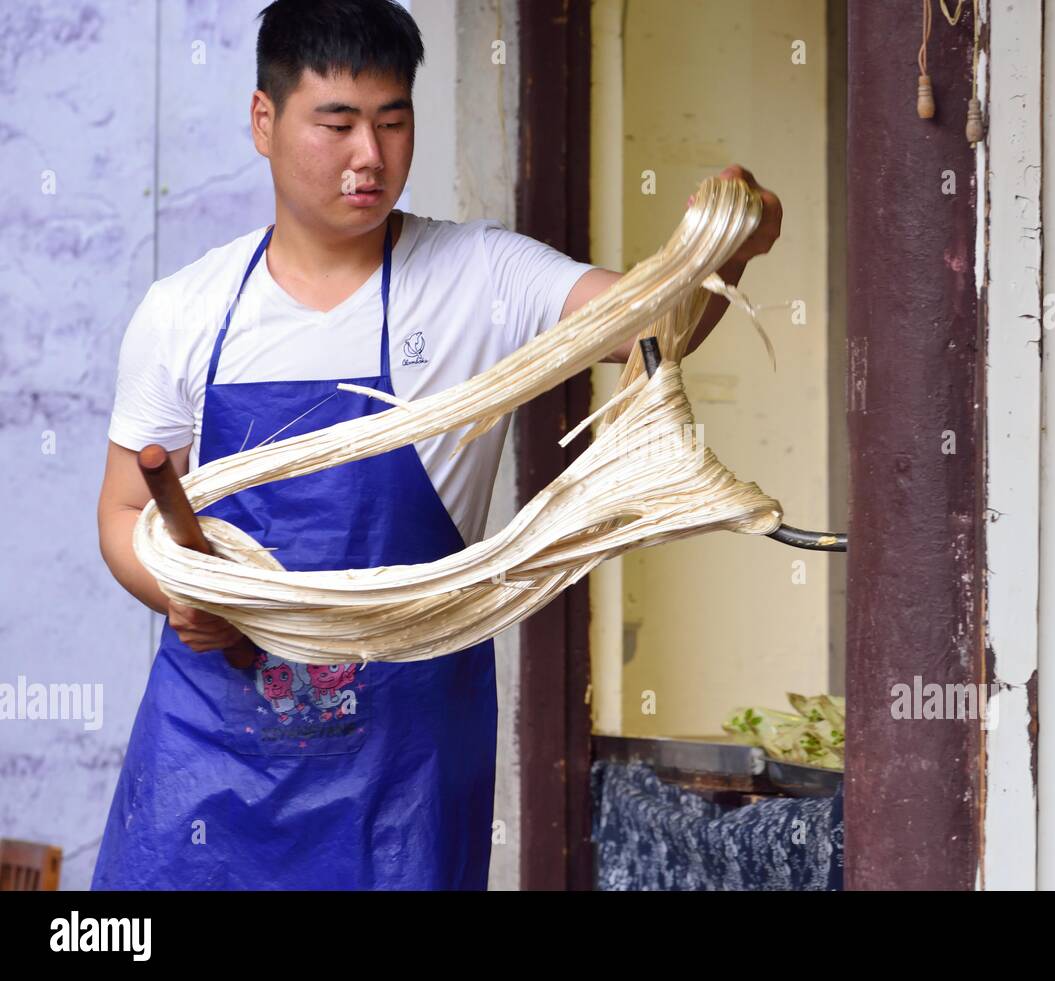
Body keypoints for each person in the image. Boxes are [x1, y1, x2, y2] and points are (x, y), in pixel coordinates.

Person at [92, 0, 781, 890]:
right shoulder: (187, 312)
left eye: (392, 120)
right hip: (207, 772)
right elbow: (121, 509)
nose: (369, 157)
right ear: (264, 122)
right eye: (336, 124)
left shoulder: (477, 278)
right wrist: (181, 594)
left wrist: (730, 247)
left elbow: (653, 329)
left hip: (398, 784)